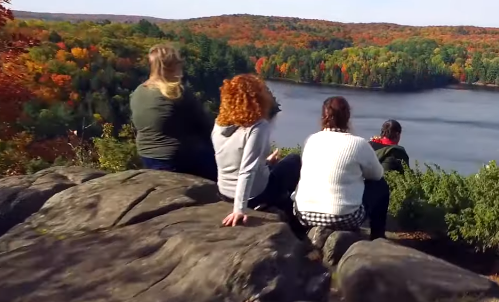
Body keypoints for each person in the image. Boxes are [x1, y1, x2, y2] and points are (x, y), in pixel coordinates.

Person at [212, 74, 302, 228]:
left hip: (224, 192)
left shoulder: (219, 125)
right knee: (293, 161)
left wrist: (266, 162)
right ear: (257, 99)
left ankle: (282, 204)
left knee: (275, 168)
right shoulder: (257, 127)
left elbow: (231, 160)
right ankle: (293, 213)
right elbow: (246, 170)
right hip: (255, 195)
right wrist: (239, 209)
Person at [293, 96, 390, 240]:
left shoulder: (311, 140)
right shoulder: (358, 144)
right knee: (380, 186)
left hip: (304, 214)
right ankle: (377, 237)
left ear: (323, 116)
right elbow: (377, 174)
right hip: (343, 218)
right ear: (348, 117)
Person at [130, 43, 217, 181]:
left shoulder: (139, 91)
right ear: (173, 66)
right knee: (219, 162)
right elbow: (205, 125)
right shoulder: (177, 91)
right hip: (176, 158)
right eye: (179, 62)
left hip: (147, 156)